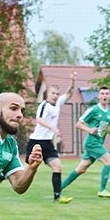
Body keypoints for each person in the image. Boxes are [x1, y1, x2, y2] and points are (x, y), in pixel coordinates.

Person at [60, 86, 110, 198]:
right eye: (102, 93)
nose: (104, 96)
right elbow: (78, 124)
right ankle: (102, 190)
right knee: (109, 161)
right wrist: (89, 130)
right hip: (92, 143)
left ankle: (58, 188)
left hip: (98, 143)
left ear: (109, 97)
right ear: (98, 96)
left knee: (81, 169)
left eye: (107, 94)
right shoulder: (94, 110)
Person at [28, 71, 76, 204]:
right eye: (53, 93)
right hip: (36, 141)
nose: (55, 96)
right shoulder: (44, 105)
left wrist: (72, 81)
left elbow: (69, 93)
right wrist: (53, 128)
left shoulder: (58, 103)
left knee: (57, 167)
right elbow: (39, 120)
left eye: (57, 94)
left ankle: (57, 197)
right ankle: (1, 177)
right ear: (48, 94)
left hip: (47, 143)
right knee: (27, 168)